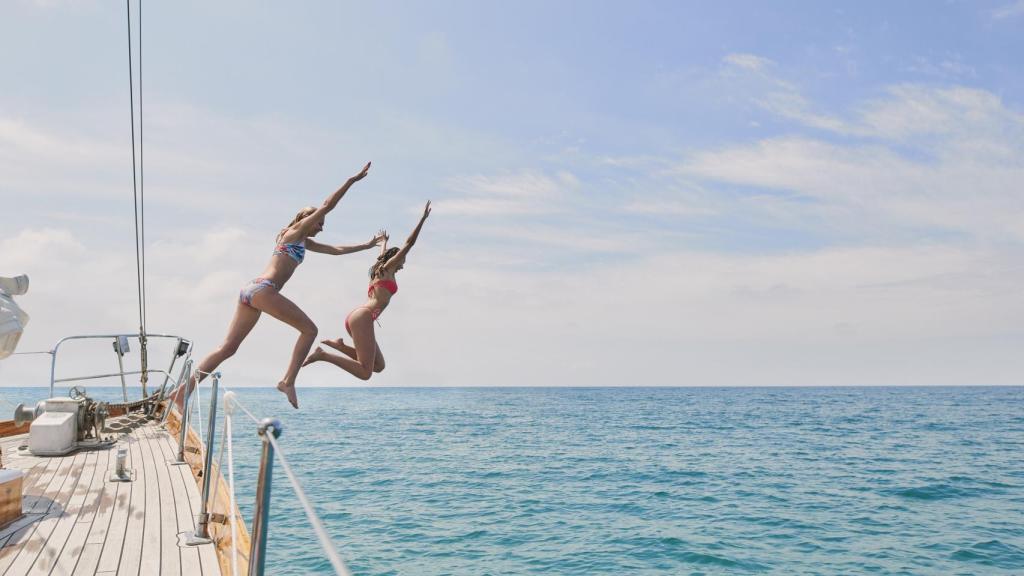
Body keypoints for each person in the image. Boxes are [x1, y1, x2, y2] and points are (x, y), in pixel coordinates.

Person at [173, 162, 380, 409]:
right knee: (310, 330)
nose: (322, 227)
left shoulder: (302, 241)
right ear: (307, 219)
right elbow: (327, 205)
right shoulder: (295, 231)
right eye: (320, 223)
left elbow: (335, 250)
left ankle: (181, 393)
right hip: (264, 290)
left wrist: (366, 246)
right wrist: (351, 181)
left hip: (251, 291)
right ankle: (287, 381)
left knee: (227, 348)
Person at [303, 200, 431, 380]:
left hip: (360, 317)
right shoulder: (388, 268)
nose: (403, 264)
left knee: (379, 366)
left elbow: (382, 254)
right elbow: (409, 244)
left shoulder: (381, 268)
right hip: (363, 317)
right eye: (402, 261)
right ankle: (323, 355)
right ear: (396, 259)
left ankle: (339, 345)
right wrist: (422, 220)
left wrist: (384, 242)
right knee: (365, 373)